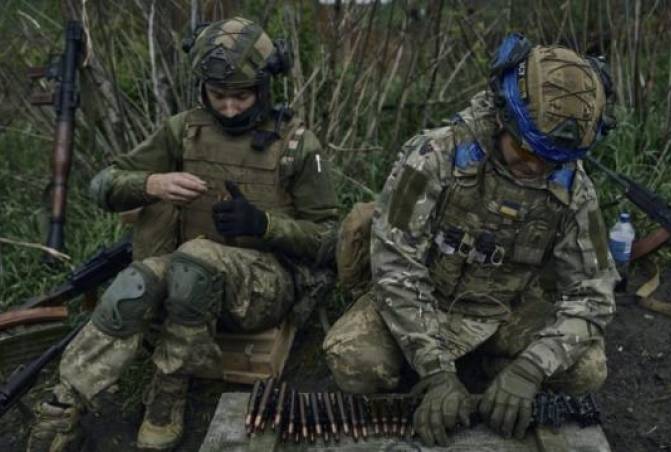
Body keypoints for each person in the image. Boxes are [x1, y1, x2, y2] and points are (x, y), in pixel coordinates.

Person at [27, 17, 337, 451]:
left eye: (242, 96)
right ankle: (65, 404)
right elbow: (103, 184)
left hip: (264, 288)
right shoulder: (184, 130)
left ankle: (168, 391)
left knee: (196, 258)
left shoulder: (298, 146)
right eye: (217, 96)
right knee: (136, 281)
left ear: (265, 88)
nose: (229, 108)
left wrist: (264, 224)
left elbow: (329, 239)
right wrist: (151, 183)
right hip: (186, 278)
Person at [323, 33, 618, 447]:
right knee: (355, 363)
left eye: (553, 161)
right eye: (527, 153)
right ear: (502, 119)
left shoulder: (573, 188)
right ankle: (449, 374)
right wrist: (435, 370)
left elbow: (594, 292)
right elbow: (394, 264)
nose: (536, 169)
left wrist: (532, 368)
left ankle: (497, 373)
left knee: (588, 368)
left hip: (506, 310)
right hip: (426, 301)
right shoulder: (434, 155)